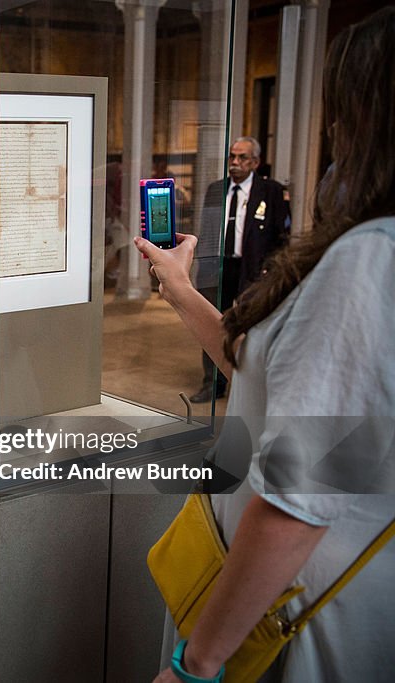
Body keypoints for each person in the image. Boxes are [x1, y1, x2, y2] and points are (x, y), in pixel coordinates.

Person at [138, 9, 395, 681]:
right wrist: (182, 290)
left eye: (339, 113)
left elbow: (300, 501)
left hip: (283, 624)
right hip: (272, 602)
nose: (331, 133)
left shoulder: (371, 261)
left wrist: (198, 662)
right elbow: (273, 375)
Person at [189, 136, 289, 403]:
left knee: (250, 327)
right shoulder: (215, 189)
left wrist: (270, 272)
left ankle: (249, 385)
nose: (235, 162)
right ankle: (213, 383)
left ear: (255, 162)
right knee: (212, 323)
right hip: (218, 268)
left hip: (252, 270)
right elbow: (207, 230)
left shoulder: (272, 192)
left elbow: (282, 237)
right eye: (232, 156)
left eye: (242, 157)